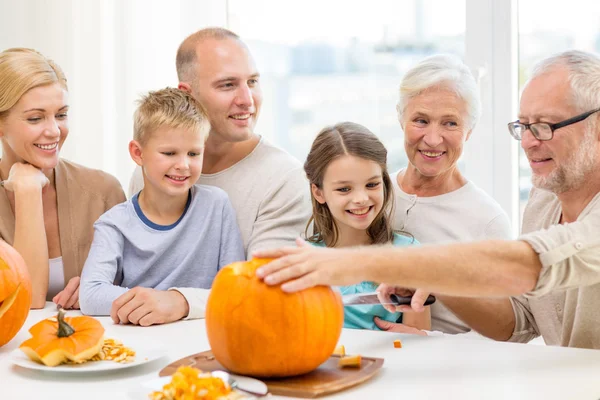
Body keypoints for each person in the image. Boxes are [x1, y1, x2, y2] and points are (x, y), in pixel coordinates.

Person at [254, 50, 600, 350]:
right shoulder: (543, 200)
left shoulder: (493, 218)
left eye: (546, 126)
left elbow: (531, 264)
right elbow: (520, 322)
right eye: (524, 126)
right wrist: (437, 281)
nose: (527, 142)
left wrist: (354, 264)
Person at [128, 27, 311, 258]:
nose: (247, 100)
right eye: (228, 85)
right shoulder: (152, 171)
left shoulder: (285, 179)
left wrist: (179, 296)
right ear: (188, 93)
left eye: (252, 81)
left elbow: (263, 286)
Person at [79, 88, 245, 326]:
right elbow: (91, 294)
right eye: (169, 153)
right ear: (138, 153)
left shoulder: (216, 206)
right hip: (140, 339)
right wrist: (153, 302)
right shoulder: (113, 223)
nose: (183, 165)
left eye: (193, 153)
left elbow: (237, 291)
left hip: (202, 338)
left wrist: (175, 301)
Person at [385, 54, 511, 334]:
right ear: (400, 118)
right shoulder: (371, 198)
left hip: (448, 371)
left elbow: (506, 334)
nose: (432, 139)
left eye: (450, 123)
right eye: (420, 120)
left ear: (469, 131)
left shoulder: (487, 223)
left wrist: (425, 339)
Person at [0, 48, 125, 309]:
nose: (55, 131)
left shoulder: (103, 193)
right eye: (35, 118)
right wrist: (27, 193)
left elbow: (138, 283)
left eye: (61, 114)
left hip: (95, 345)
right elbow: (24, 301)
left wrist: (101, 291)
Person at [303, 121, 428, 331]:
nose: (361, 198)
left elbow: (419, 334)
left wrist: (414, 336)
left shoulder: (409, 254)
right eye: (344, 189)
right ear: (319, 192)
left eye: (372, 185)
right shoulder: (305, 259)